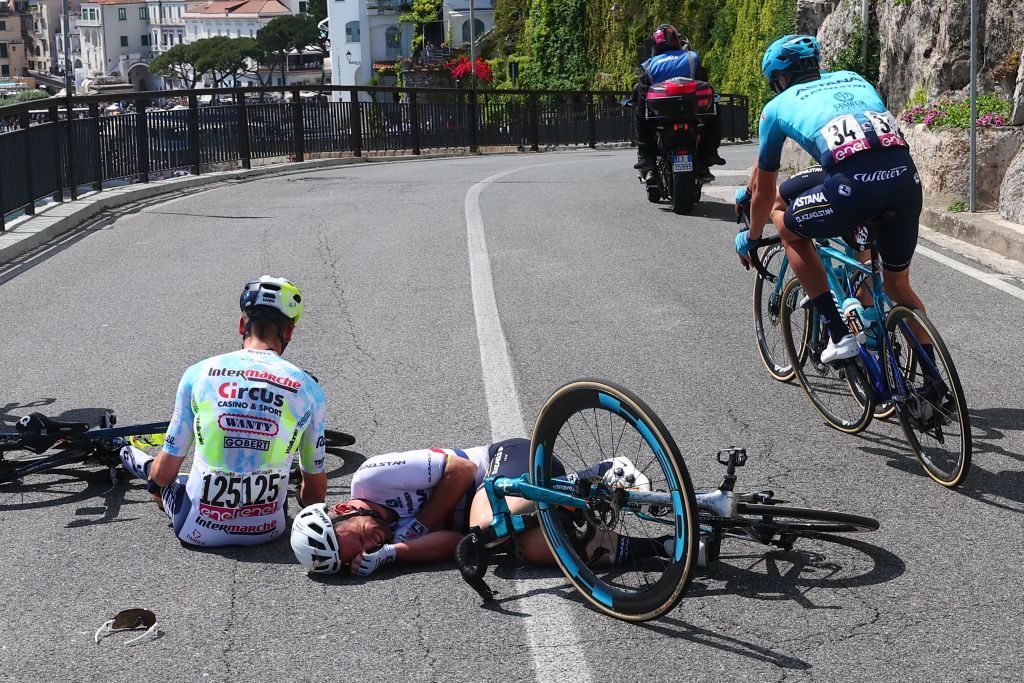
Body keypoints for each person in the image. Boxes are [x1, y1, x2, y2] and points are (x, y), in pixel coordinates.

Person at [734, 34, 930, 364]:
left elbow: (765, 193)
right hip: (906, 181)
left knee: (787, 225)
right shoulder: (853, 79)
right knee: (898, 284)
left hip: (853, 187)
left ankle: (839, 334)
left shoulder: (776, 108)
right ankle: (934, 382)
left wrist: (752, 238)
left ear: (780, 79)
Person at [119, 276, 328, 547]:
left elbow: (165, 474)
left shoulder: (198, 373)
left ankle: (126, 454)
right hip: (268, 531)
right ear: (288, 332)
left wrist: (156, 485)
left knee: (160, 477)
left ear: (242, 324)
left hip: (196, 530)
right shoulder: (309, 388)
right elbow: (315, 495)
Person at [290, 439, 667, 576]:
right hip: (495, 513)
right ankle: (667, 549)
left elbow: (462, 469)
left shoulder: (371, 478)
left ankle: (601, 473)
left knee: (488, 528)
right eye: (352, 558)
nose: (363, 550)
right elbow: (455, 542)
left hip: (504, 462)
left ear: (342, 511)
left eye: (348, 543)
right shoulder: (384, 541)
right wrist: (393, 553)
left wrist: (417, 527)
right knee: (533, 548)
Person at [633, 23, 726, 185]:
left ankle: (648, 163)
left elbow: (642, 100)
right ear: (676, 40)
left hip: (661, 118)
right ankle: (708, 156)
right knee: (714, 112)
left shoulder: (648, 66)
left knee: (640, 116)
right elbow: (704, 84)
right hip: (692, 113)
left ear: (655, 45)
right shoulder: (691, 58)